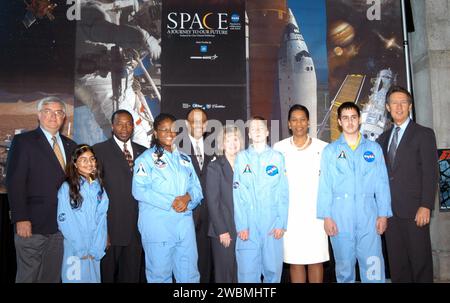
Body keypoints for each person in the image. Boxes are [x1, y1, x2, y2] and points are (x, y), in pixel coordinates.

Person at [317, 102, 392, 283]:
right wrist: (326, 216)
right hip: (340, 217)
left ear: (359, 120)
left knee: (373, 266)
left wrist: (383, 215)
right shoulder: (330, 151)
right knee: (344, 269)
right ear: (339, 122)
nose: (350, 122)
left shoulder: (373, 150)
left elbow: (382, 184)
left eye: (353, 117)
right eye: (345, 118)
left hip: (369, 216)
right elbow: (325, 186)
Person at [6, 96, 77, 283]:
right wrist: (21, 218)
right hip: (32, 225)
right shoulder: (23, 142)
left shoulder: (72, 146)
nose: (53, 116)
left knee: (52, 277)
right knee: (28, 276)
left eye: (58, 112)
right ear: (39, 115)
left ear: (64, 118)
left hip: (62, 227)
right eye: (47, 111)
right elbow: (15, 182)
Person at [377, 86, 438, 282]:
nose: (399, 106)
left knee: (420, 264)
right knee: (397, 265)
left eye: (403, 102)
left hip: (415, 212)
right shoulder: (382, 139)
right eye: (394, 102)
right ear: (387, 107)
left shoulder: (424, 134)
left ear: (410, 106)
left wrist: (426, 205)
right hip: (391, 215)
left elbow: (431, 173)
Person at [132, 113, 203, 283]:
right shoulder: (146, 159)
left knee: (190, 275)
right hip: (158, 226)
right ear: (155, 133)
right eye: (164, 130)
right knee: (159, 276)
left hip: (184, 226)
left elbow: (197, 190)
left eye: (173, 130)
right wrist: (172, 202)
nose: (170, 133)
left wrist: (187, 198)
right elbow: (139, 190)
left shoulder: (185, 159)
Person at [273, 105, 329, 283]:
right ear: (289, 124)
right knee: (295, 262)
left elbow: (328, 184)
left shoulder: (324, 147)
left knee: (316, 260)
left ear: (308, 122)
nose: (299, 123)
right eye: (295, 120)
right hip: (290, 215)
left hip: (316, 215)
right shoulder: (278, 148)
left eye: (302, 119)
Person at [93, 110, 147, 283]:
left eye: (128, 123)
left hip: (137, 229)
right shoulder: (98, 151)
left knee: (131, 276)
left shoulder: (144, 152)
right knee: (106, 276)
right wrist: (100, 229)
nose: (124, 128)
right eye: (120, 123)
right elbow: (94, 192)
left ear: (133, 126)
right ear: (112, 126)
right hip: (110, 228)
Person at [233, 117, 289, 283]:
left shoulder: (277, 158)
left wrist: (281, 223)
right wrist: (241, 225)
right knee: (247, 275)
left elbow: (283, 192)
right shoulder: (241, 158)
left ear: (267, 132)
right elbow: (237, 193)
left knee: (273, 273)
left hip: (271, 224)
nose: (257, 131)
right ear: (249, 133)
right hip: (248, 226)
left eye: (260, 128)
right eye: (253, 128)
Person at [57, 144, 109, 283]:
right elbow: (65, 220)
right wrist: (81, 248)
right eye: (83, 159)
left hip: (93, 250)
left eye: (92, 159)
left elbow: (102, 219)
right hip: (75, 250)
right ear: (75, 163)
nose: (89, 163)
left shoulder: (98, 187)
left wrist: (97, 247)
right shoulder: (68, 187)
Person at [205, 125, 243, 283]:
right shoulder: (215, 167)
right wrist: (222, 231)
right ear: (222, 143)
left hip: (243, 230)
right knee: (225, 276)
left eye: (235, 139)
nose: (232, 143)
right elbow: (213, 202)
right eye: (228, 140)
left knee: (240, 274)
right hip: (224, 230)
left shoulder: (245, 166)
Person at [185, 108, 213, 282]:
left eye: (201, 121)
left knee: (206, 264)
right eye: (193, 121)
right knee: (186, 265)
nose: (197, 125)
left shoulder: (216, 148)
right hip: (186, 216)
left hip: (210, 218)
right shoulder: (176, 149)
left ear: (206, 125)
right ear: (187, 124)